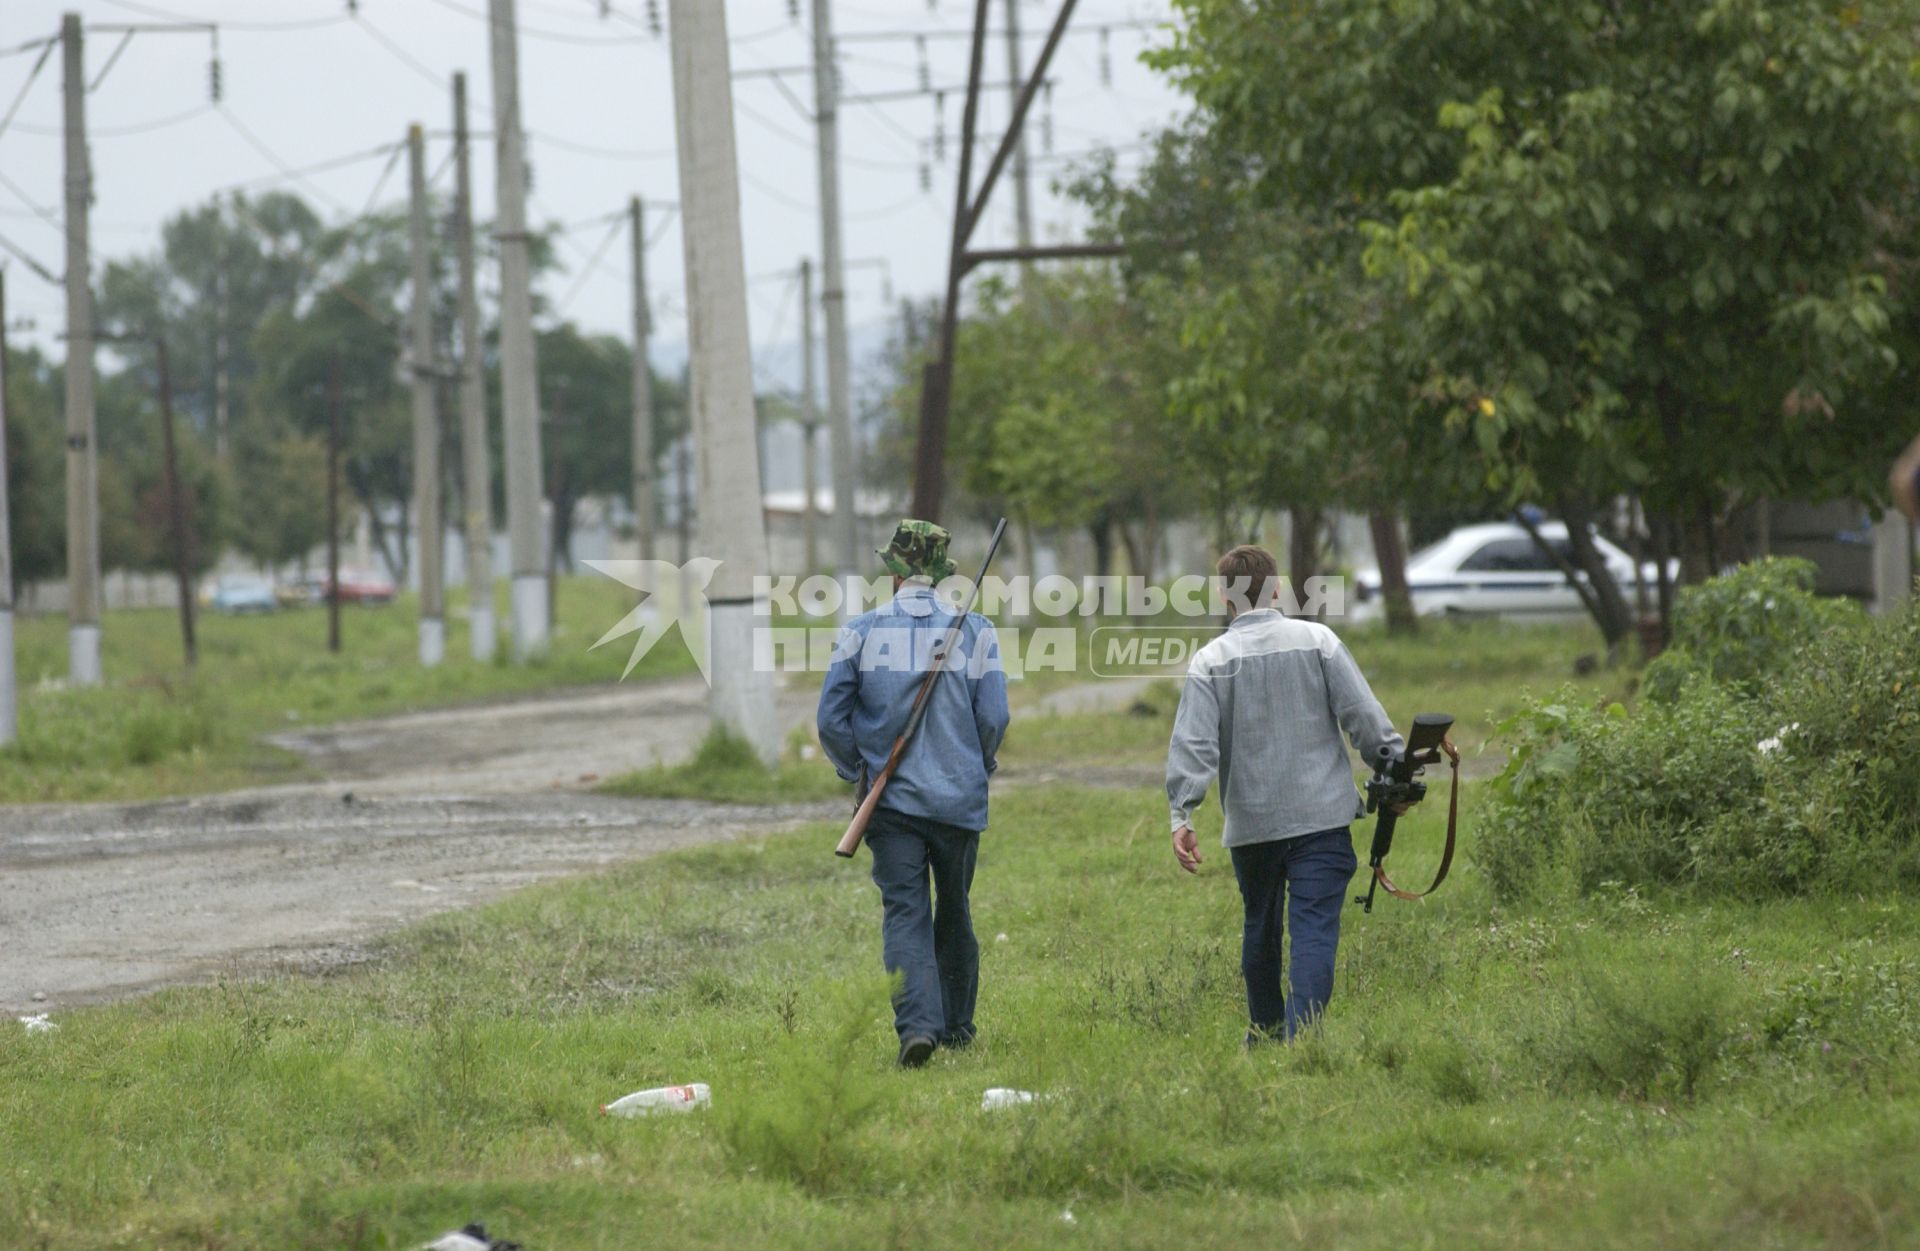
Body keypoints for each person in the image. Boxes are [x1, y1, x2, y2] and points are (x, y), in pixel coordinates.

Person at [1165, 544, 1448, 1044]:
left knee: (1261, 928)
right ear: (1277, 589)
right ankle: (1301, 1039)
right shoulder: (1319, 641)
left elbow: (1195, 743)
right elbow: (1364, 718)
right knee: (1314, 930)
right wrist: (1394, 765)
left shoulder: (1210, 661)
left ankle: (1268, 1032)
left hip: (1253, 827)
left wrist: (1181, 813)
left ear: (1225, 598)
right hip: (1322, 820)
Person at [817, 520, 1010, 1068]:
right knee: (956, 910)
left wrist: (856, 767)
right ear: (942, 571)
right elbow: (993, 716)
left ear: (894, 570)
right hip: (959, 802)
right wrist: (980, 763)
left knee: (905, 914)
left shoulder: (859, 631)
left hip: (892, 806)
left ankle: (917, 1029)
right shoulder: (977, 631)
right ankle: (957, 1028)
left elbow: (831, 719)